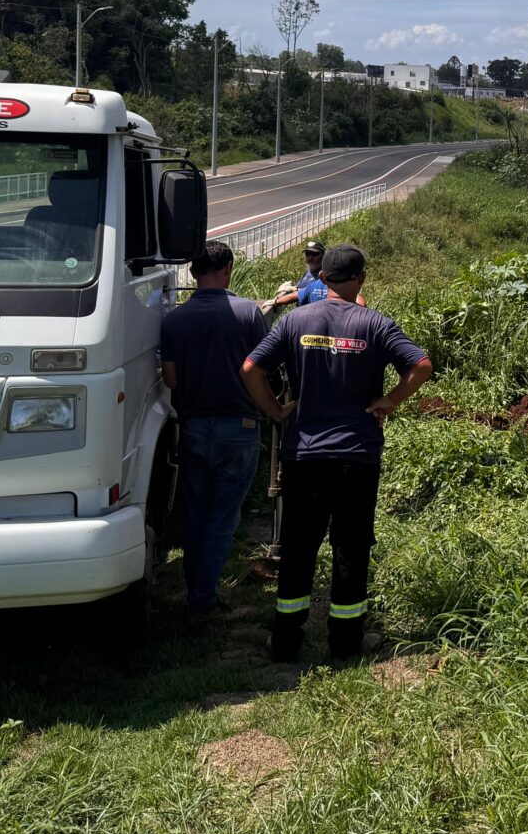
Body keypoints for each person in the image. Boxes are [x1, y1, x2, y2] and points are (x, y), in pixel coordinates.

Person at [242, 243, 432, 662]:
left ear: (322, 279)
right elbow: (421, 365)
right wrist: (391, 401)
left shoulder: (294, 321)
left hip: (304, 453)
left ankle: (286, 641)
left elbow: (251, 369)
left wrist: (275, 410)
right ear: (362, 279)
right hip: (356, 455)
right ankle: (345, 643)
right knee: (351, 546)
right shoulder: (376, 324)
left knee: (298, 546)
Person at [158, 240, 288, 616]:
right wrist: (276, 411)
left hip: (194, 427)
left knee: (195, 514)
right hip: (240, 427)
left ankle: (197, 590)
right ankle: (202, 599)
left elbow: (170, 380)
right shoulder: (249, 314)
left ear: (193, 272)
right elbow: (263, 373)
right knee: (221, 519)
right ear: (228, 269)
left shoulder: (173, 320)